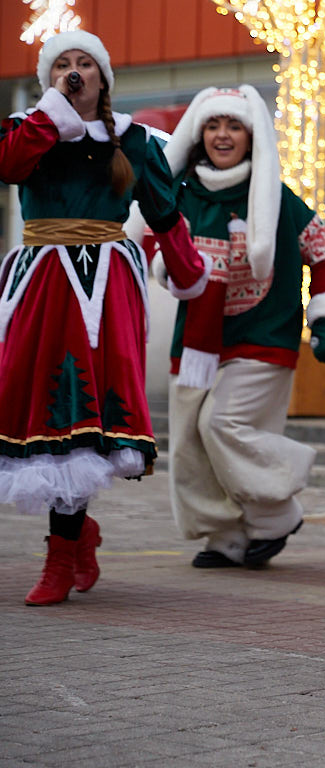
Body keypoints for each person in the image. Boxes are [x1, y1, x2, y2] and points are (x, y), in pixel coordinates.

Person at [0, 31, 209, 605]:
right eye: (62, 65)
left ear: (104, 78)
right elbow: (10, 167)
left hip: (101, 288)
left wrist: (191, 276)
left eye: (84, 64)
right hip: (39, 284)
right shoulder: (27, 130)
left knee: (81, 411)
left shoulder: (134, 141)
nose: (74, 72)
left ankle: (60, 556)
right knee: (39, 408)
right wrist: (51, 115)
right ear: (48, 79)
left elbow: (166, 215)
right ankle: (77, 536)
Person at [155, 85, 325, 568]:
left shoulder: (278, 197)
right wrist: (170, 266)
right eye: (214, 125)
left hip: (264, 334)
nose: (222, 135)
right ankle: (226, 536)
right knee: (189, 442)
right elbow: (153, 248)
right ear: (199, 135)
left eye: (233, 126)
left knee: (220, 423)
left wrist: (324, 316)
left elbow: (321, 252)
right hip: (196, 341)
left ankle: (276, 512)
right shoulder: (178, 195)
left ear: (250, 135)